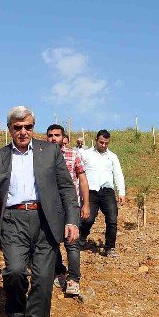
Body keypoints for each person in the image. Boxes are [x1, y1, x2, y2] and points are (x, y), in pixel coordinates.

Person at [0, 106, 80, 317]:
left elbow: (67, 188)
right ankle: (16, 313)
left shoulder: (50, 152)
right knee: (14, 271)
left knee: (43, 279)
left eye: (28, 127)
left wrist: (72, 220)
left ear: (33, 127)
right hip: (13, 221)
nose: (23, 132)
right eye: (18, 127)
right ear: (9, 129)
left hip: (46, 220)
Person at [45, 124, 90, 296]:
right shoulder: (41, 156)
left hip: (70, 205)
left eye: (57, 135)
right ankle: (59, 272)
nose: (53, 138)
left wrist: (86, 204)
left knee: (72, 242)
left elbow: (83, 180)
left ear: (63, 137)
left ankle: (74, 279)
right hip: (50, 207)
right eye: (50, 135)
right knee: (51, 242)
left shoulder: (74, 154)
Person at [79, 129, 126, 258]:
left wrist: (121, 192)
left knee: (112, 219)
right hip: (91, 191)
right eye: (101, 142)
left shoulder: (112, 156)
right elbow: (76, 160)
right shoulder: (86, 154)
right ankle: (81, 238)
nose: (103, 145)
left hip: (107, 191)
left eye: (106, 143)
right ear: (96, 141)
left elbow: (118, 174)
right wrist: (79, 145)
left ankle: (109, 247)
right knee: (87, 218)